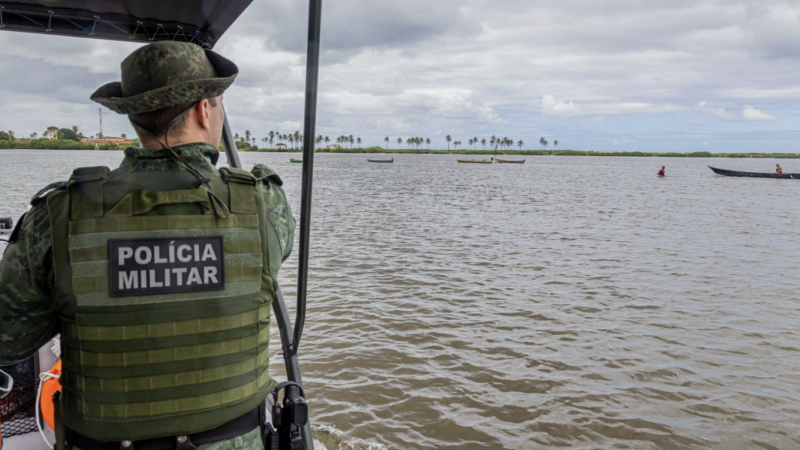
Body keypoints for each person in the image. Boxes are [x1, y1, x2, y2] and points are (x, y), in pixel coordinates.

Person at [0, 42, 296, 450]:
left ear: (133, 117)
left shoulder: (55, 220)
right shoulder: (264, 205)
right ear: (204, 110)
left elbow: (8, 341)